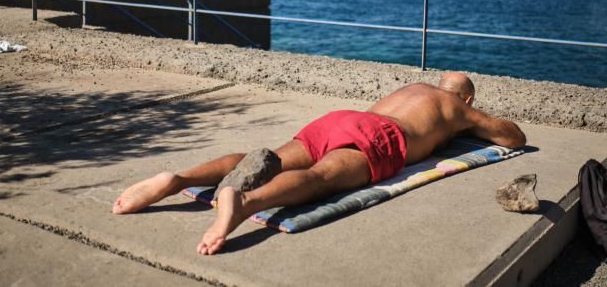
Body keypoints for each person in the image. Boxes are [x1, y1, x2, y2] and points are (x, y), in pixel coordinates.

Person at [112, 72, 526, 255]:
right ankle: (246, 204)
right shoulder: (457, 105)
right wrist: (469, 122)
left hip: (342, 119)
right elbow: (512, 137)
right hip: (382, 138)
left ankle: (178, 178)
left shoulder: (415, 88)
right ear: (466, 97)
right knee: (321, 177)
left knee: (270, 158)